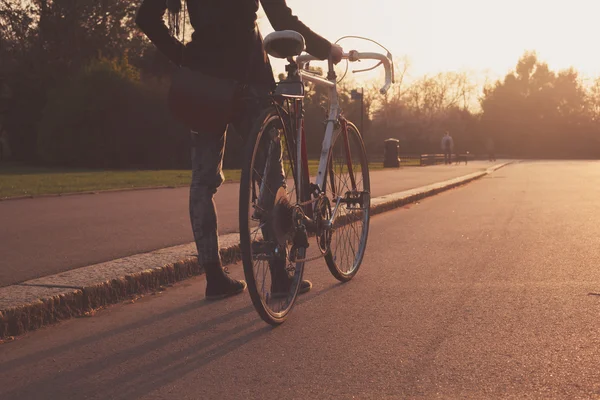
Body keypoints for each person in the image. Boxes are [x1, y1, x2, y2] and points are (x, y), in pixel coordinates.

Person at [136, 0, 343, 300]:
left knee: (203, 179)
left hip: (204, 83)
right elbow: (282, 19)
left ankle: (214, 278)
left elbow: (146, 18)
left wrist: (183, 56)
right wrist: (327, 49)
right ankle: (278, 276)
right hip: (250, 80)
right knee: (270, 174)